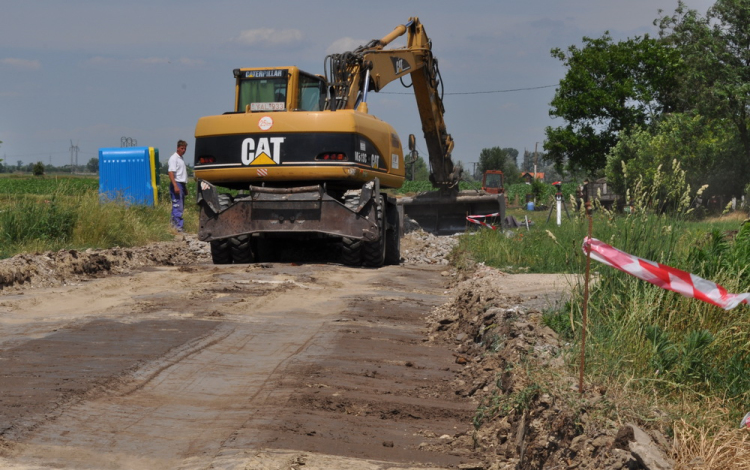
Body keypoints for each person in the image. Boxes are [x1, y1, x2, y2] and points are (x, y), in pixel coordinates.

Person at [168, 140, 188, 232]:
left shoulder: (181, 158)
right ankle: (178, 227)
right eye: (182, 148)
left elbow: (182, 174)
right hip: (177, 183)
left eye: (185, 148)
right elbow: (171, 172)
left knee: (180, 206)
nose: (183, 150)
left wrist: (185, 188)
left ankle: (173, 225)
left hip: (182, 184)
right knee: (177, 206)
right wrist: (175, 185)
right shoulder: (174, 158)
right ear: (178, 148)